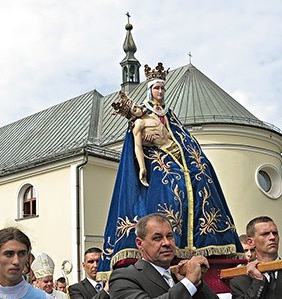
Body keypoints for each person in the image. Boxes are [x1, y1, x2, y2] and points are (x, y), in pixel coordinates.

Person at [100, 62, 242, 278]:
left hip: (179, 153)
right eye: (156, 88)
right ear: (149, 91)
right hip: (158, 159)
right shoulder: (140, 119)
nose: (160, 92)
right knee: (172, 182)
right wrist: (141, 168)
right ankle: (172, 243)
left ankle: (208, 238)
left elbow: (184, 139)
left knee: (200, 174)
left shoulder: (170, 115)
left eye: (162, 88)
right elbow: (136, 147)